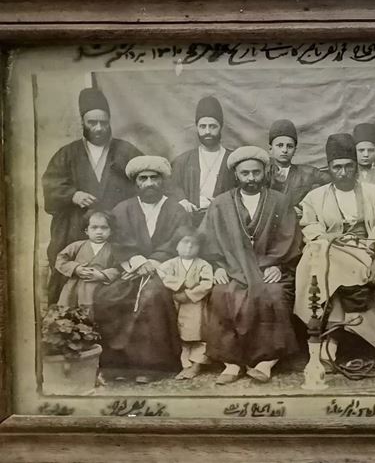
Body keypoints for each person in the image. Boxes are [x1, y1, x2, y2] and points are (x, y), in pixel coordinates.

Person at [295, 133, 375, 365]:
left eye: (349, 166)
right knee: (324, 251)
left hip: (368, 251)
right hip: (330, 252)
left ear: (356, 166)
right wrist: (329, 237)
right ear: (329, 168)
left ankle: (330, 341)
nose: (343, 172)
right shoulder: (315, 197)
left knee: (331, 263)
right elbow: (309, 226)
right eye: (337, 167)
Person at [199, 146, 302, 384]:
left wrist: (278, 265)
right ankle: (231, 362)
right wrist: (217, 266)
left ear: (265, 172)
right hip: (232, 268)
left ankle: (268, 361)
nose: (251, 178)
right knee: (222, 293)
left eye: (256, 172)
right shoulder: (220, 203)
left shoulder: (279, 201)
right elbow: (209, 239)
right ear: (236, 174)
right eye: (245, 173)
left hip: (268, 268)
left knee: (274, 294)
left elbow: (289, 238)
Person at [93, 156, 191, 381]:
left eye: (154, 178)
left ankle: (151, 366)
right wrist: (138, 261)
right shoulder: (122, 209)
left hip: (164, 269)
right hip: (131, 268)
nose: (149, 183)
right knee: (108, 296)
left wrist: (154, 262)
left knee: (152, 296)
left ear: (162, 181)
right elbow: (117, 239)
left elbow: (180, 240)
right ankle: (118, 365)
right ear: (136, 182)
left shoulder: (176, 210)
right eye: (143, 178)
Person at [42, 87, 143, 304]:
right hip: (75, 226)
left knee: (117, 276)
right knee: (68, 274)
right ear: (83, 122)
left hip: (116, 227)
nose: (98, 128)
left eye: (103, 123)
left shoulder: (126, 151)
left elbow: (145, 180)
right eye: (92, 122)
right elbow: (50, 185)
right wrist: (72, 194)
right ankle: (67, 319)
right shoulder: (67, 153)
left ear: (109, 122)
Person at [169, 96, 236, 225]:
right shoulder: (182, 161)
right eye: (203, 126)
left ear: (221, 127)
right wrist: (182, 201)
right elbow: (172, 187)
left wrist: (222, 203)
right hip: (190, 222)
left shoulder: (233, 159)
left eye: (213, 126)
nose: (207, 131)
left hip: (223, 223)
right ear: (197, 128)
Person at [158, 230, 213, 380]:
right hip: (177, 303)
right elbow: (161, 273)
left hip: (195, 305)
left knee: (196, 334)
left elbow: (207, 284)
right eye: (184, 242)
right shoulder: (170, 264)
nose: (189, 247)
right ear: (176, 245)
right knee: (180, 335)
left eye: (194, 244)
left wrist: (189, 294)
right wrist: (180, 284)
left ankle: (196, 364)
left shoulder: (203, 265)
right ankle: (185, 364)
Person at [55, 210, 120, 314]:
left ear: (111, 231)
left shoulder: (113, 249)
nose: (99, 232)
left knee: (94, 315)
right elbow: (61, 259)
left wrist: (103, 275)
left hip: (100, 289)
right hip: (75, 288)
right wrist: (76, 269)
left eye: (104, 228)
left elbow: (119, 268)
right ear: (86, 231)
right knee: (69, 315)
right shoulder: (77, 245)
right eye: (94, 227)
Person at [268, 119, 329, 211]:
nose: (284, 150)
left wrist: (308, 204)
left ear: (295, 150)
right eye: (280, 145)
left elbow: (334, 181)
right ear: (270, 149)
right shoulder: (262, 172)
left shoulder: (307, 173)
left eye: (289, 146)